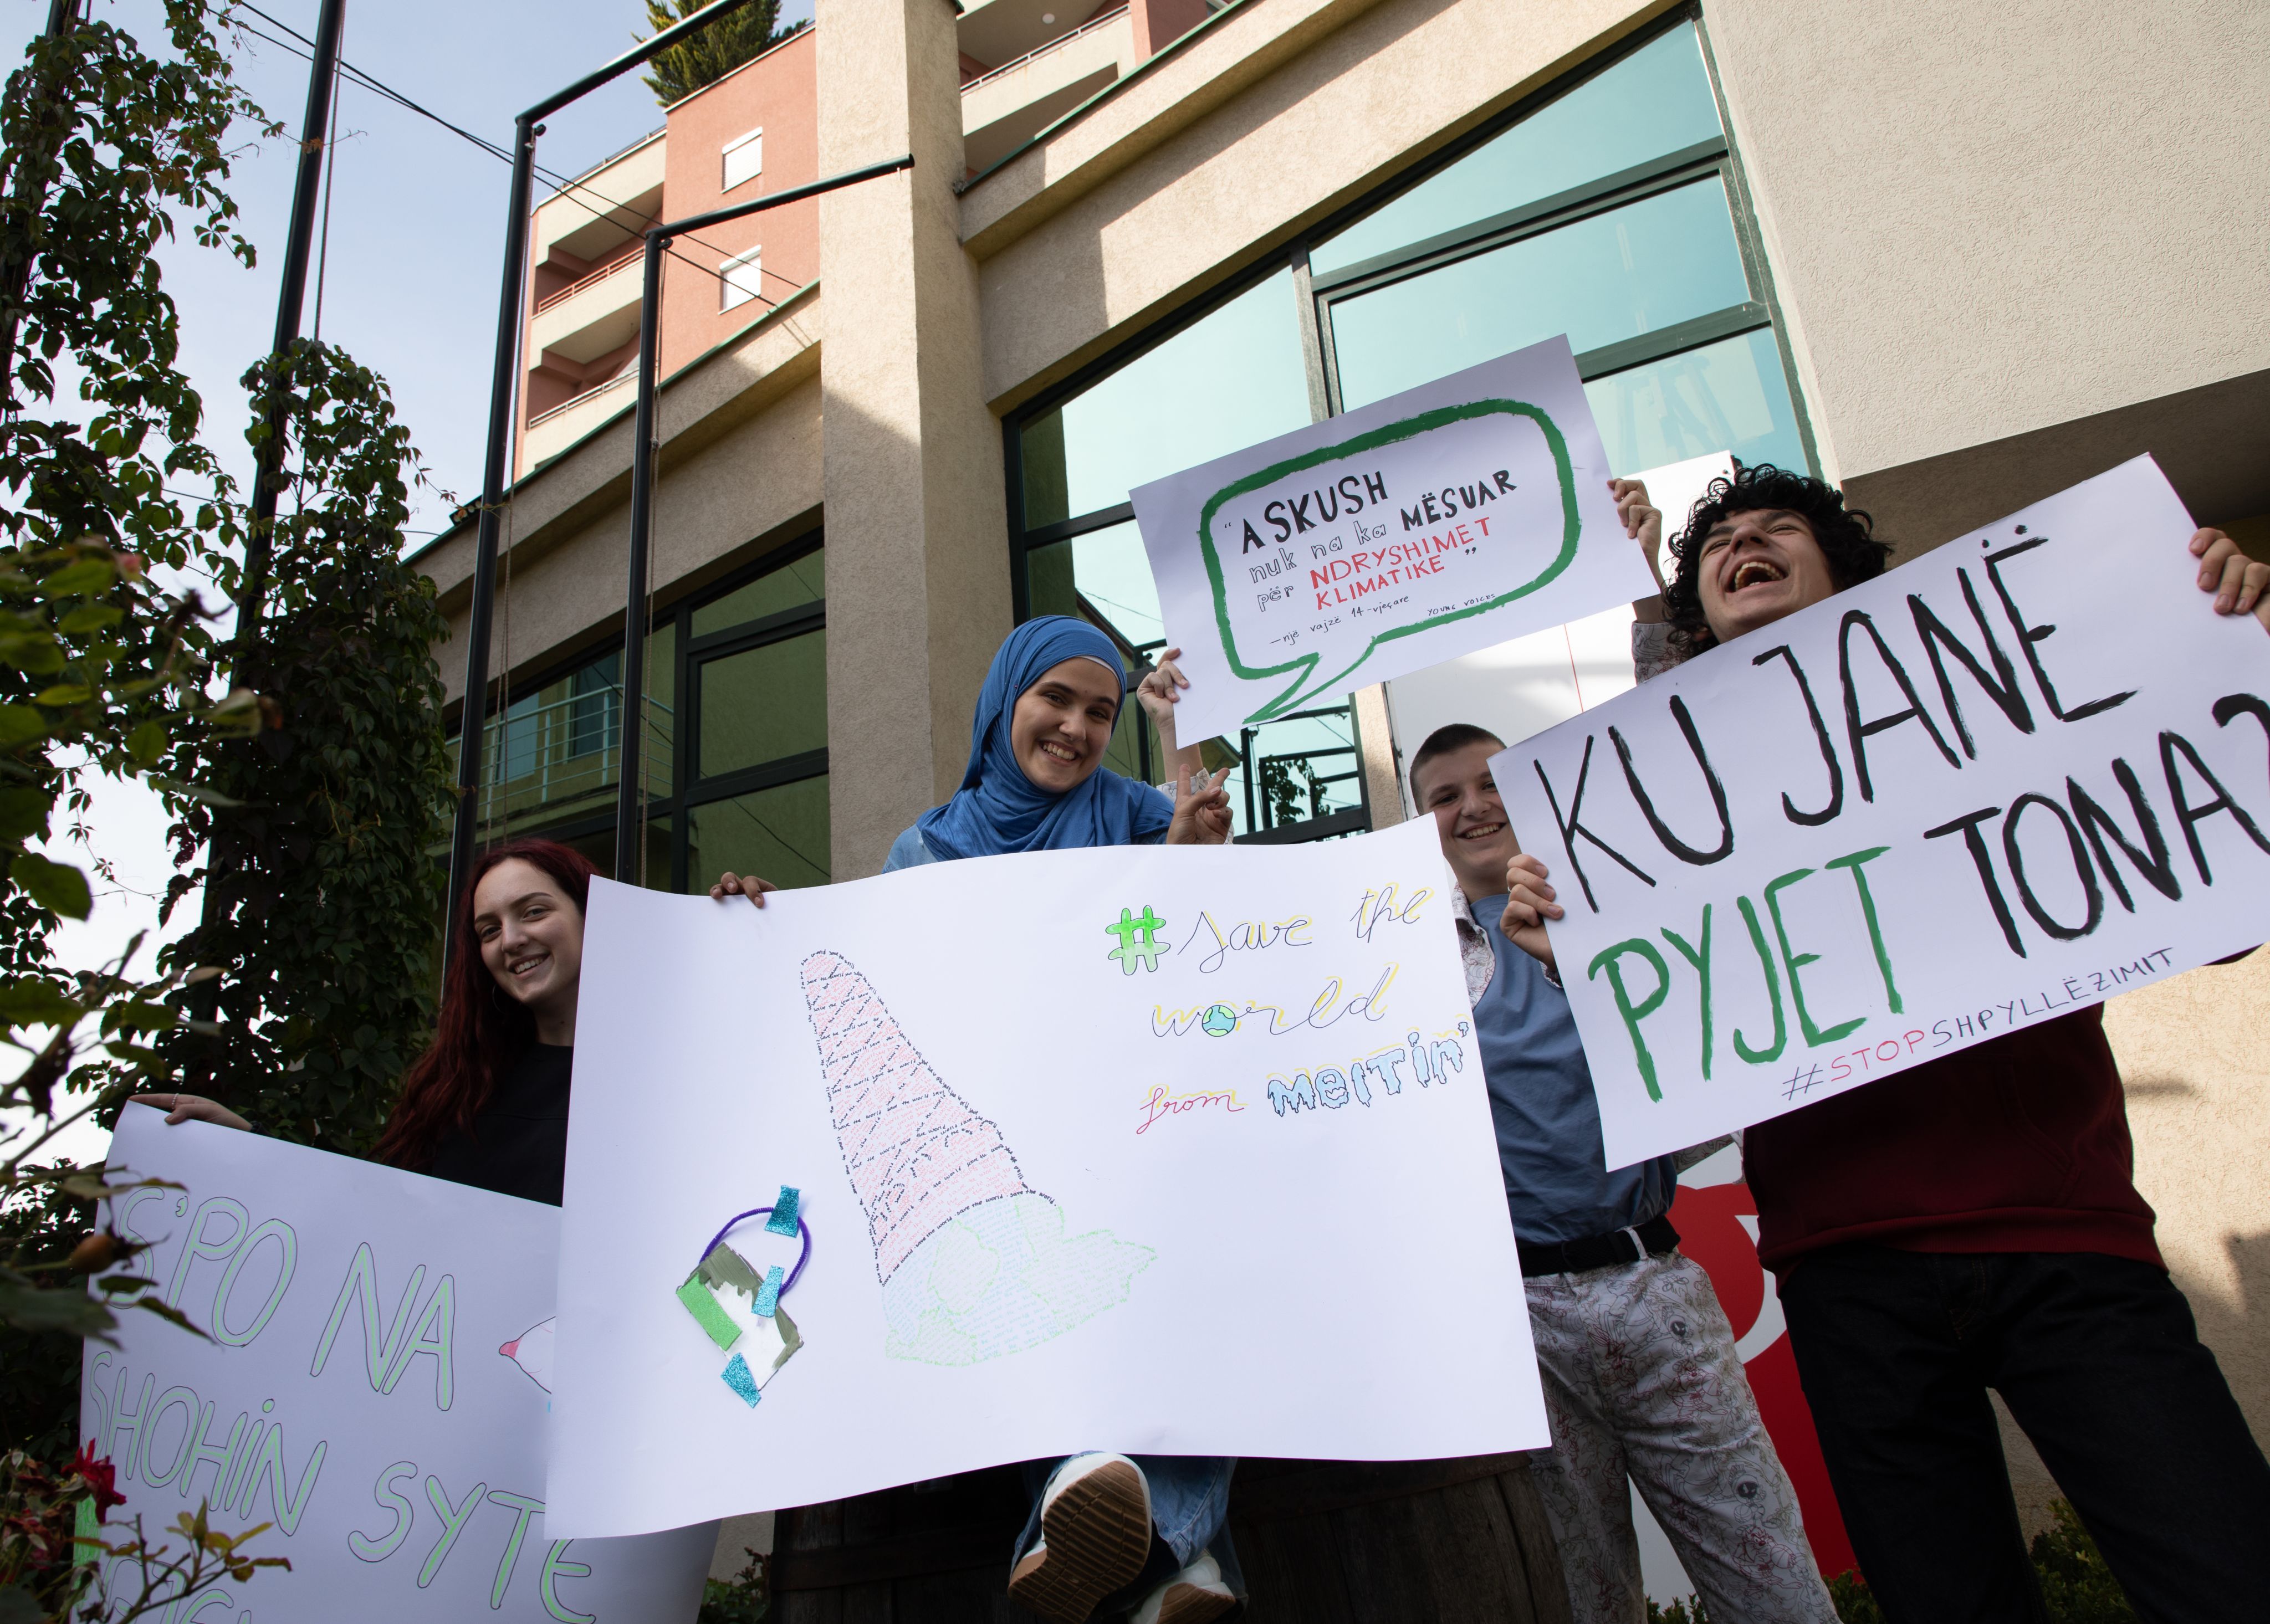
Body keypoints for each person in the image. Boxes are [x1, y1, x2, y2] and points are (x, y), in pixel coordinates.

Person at [1499, 464, 2270, 1622]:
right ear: (1696, 618)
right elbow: (1678, 1050)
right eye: (1721, 542)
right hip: (1846, 1273)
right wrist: (1590, 959)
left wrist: (2226, 640)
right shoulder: (1679, 802)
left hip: (2061, 1241)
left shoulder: (2007, 701)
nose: (1743, 542)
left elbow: (2219, 900)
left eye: (1777, 530)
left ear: (1854, 584)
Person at [713, 615, 1239, 1624]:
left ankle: (1115, 1534)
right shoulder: (932, 847)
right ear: (1004, 703)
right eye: (1056, 699)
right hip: (994, 1162)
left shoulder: (1135, 810)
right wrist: (751, 931)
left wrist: (1179, 766)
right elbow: (898, 987)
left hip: (1138, 1133)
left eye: (1100, 711)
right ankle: (1178, 1562)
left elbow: (1208, 953)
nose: (1077, 728)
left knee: (1196, 1283)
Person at [1406, 488, 1838, 1624]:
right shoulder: (1401, 968)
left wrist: (1643, 575)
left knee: (1772, 1585)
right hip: (1520, 1318)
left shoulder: (1629, 901)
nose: (1469, 807)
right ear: (1420, 825)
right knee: (1580, 1599)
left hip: (1655, 1288)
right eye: (1443, 796)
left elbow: (1681, 744)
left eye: (1492, 783)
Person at [132, 839, 600, 1211]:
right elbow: (370, 1216)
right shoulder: (459, 1087)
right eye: (489, 930)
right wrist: (245, 1148)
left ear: (592, 912)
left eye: (534, 911)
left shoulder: (664, 1075)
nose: (512, 940)